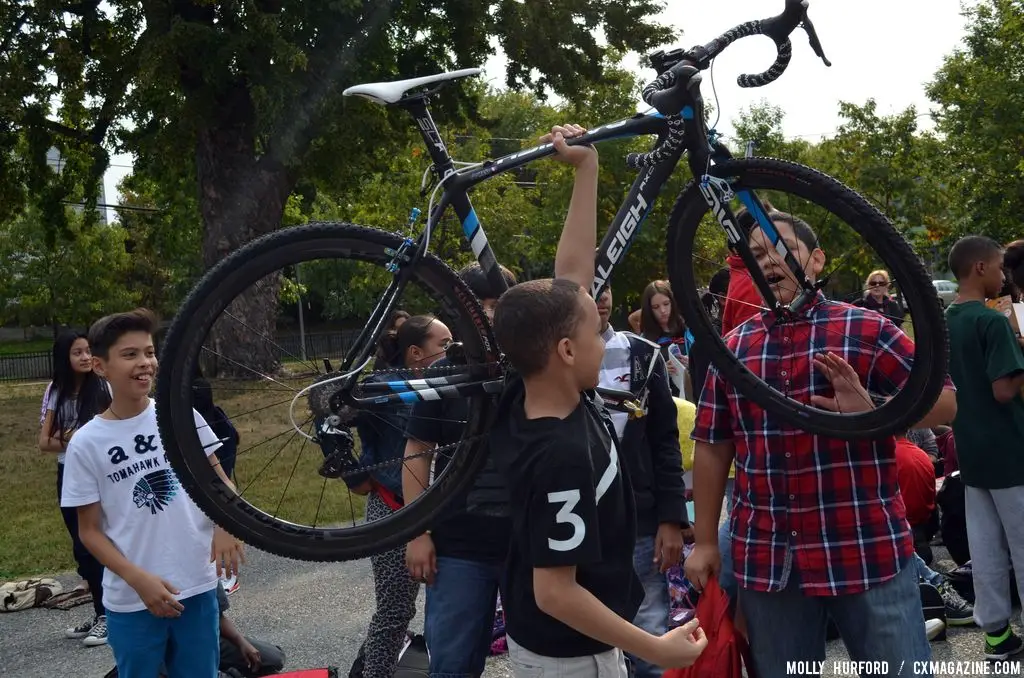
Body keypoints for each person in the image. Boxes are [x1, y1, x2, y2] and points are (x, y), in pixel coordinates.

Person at [685, 207, 957, 678]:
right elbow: (712, 445)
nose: (768, 261)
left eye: (781, 248)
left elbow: (948, 402)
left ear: (816, 260)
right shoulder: (732, 348)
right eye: (755, 255)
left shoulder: (867, 328)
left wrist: (873, 409)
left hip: (865, 547)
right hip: (770, 559)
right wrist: (706, 541)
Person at [489, 123, 707, 678]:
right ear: (565, 350)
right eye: (594, 335)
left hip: (568, 642)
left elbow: (573, 277)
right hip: (568, 655)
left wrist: (587, 169)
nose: (602, 342)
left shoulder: (535, 391)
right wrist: (655, 648)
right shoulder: (560, 452)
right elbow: (555, 592)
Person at [59, 308, 245, 678]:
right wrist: (138, 579)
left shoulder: (181, 417)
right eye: (130, 355)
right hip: (132, 599)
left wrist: (226, 522)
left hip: (196, 584)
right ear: (99, 366)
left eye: (149, 352)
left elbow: (221, 480)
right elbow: (90, 532)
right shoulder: (86, 443)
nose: (145, 363)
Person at [401, 262, 516, 678]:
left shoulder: (531, 369)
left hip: (528, 544)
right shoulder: (442, 372)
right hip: (457, 546)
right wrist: (417, 531)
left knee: (544, 662)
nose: (490, 313)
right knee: (452, 664)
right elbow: (418, 449)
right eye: (481, 304)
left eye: (499, 303)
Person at [595, 285, 689, 678]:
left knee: (649, 636)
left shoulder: (641, 353)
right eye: (590, 284)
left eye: (606, 286)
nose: (599, 295)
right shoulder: (548, 356)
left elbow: (665, 443)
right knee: (590, 647)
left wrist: (672, 518)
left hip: (640, 518)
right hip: (579, 522)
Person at [357, 314, 454, 678]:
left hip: (438, 508)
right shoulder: (386, 385)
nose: (453, 350)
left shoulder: (448, 385)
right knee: (394, 611)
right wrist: (352, 470)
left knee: (443, 609)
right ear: (416, 352)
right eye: (443, 345)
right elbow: (338, 410)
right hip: (392, 508)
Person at [945, 235, 1024, 660]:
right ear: (979, 268)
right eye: (998, 267)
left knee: (986, 548)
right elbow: (1003, 390)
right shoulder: (991, 321)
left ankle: (996, 635)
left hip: (971, 451)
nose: (1002, 276)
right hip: (1011, 452)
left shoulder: (945, 318)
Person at [40, 331, 112, 646]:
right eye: (76, 352)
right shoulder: (56, 392)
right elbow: (44, 441)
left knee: (103, 544)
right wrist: (76, 438)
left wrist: (72, 437)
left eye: (87, 351)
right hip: (68, 473)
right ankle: (101, 612)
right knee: (82, 546)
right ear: (64, 359)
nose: (85, 357)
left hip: (103, 473)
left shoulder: (103, 387)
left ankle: (110, 615)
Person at [638, 280, 688, 398]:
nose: (663, 311)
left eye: (666, 304)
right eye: (656, 307)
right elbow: (641, 378)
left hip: (691, 395)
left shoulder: (688, 330)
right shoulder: (644, 340)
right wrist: (662, 370)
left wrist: (692, 363)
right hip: (664, 399)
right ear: (649, 310)